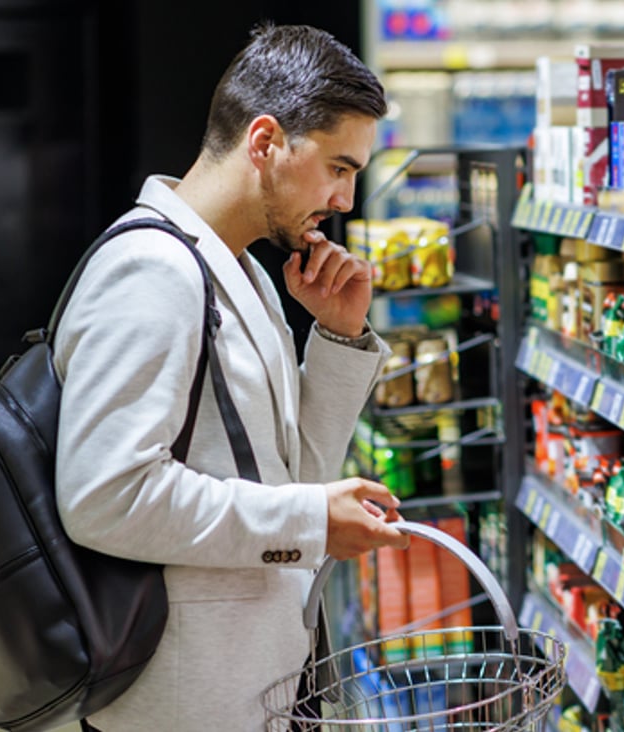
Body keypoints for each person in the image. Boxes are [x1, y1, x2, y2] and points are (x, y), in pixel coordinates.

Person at [52, 22, 410, 731]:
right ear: (266, 141)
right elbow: (103, 495)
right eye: (339, 167)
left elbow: (289, 476)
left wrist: (336, 337)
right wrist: (308, 522)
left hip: (252, 686)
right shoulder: (151, 272)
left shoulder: (239, 267)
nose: (344, 200)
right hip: (181, 703)